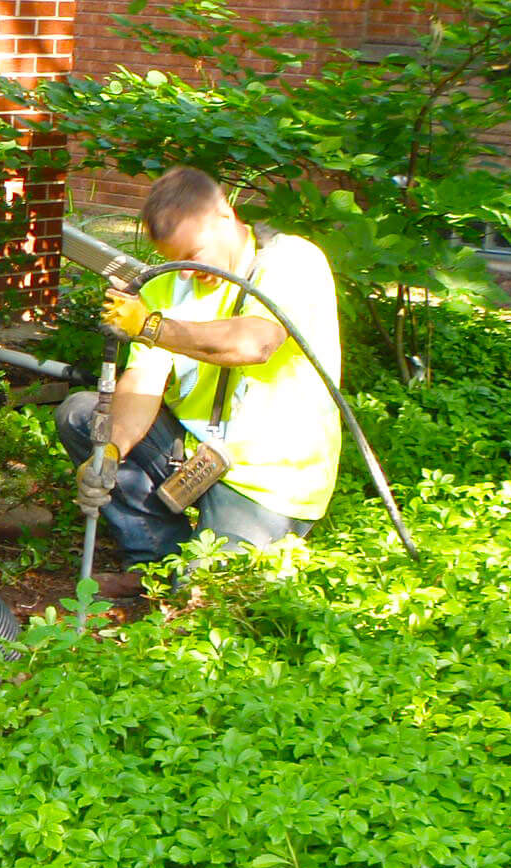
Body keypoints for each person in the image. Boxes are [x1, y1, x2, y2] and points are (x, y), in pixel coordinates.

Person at [56, 167, 342, 594]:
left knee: (203, 596)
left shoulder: (291, 261)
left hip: (272, 476)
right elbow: (142, 382)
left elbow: (255, 344)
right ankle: (154, 561)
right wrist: (111, 449)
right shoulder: (169, 284)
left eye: (194, 253)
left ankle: (186, 575)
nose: (187, 271)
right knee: (82, 414)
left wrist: (153, 327)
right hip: (194, 453)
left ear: (225, 216)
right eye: (177, 259)